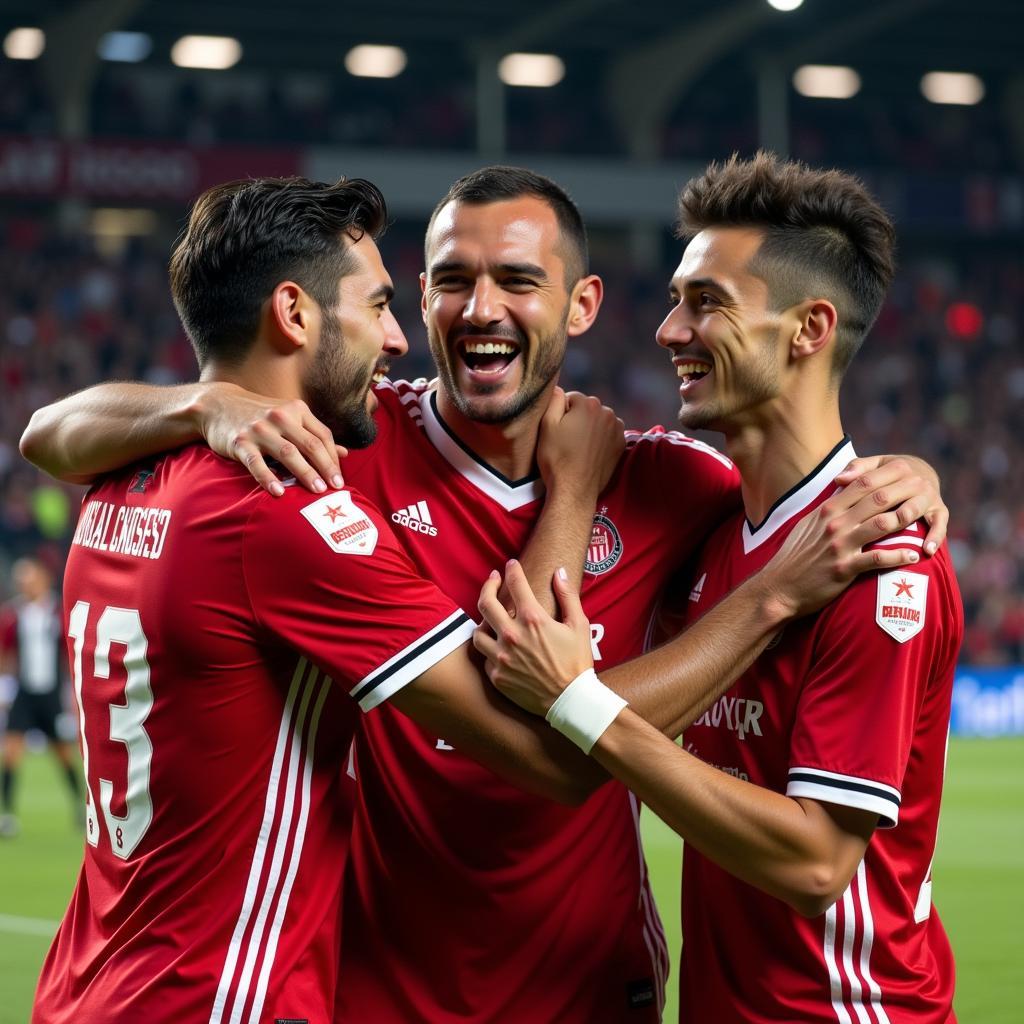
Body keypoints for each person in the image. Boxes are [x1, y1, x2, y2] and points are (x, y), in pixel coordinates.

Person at [21, 167, 948, 1023]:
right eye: (450, 280)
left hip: (591, 983)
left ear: (581, 304)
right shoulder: (333, 448)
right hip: (380, 984)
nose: (480, 308)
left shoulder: (673, 484)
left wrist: (900, 476)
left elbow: (795, 491)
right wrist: (201, 403)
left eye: (516, 280)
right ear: (418, 298)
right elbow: (52, 431)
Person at [476, 154, 961, 1023]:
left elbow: (815, 864)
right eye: (674, 299)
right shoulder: (709, 525)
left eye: (707, 303)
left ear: (809, 328)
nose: (669, 330)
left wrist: (579, 706)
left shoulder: (882, 561)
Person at [0, 557, 82, 837]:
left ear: (44, 579)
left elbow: (69, 654)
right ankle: (7, 813)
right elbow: (7, 654)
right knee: (11, 754)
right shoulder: (14, 615)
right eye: (22, 580)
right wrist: (5, 687)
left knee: (63, 755)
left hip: (50, 694)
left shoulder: (59, 612)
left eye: (30, 578)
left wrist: (71, 692)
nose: (25, 584)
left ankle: (80, 808)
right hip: (24, 694)